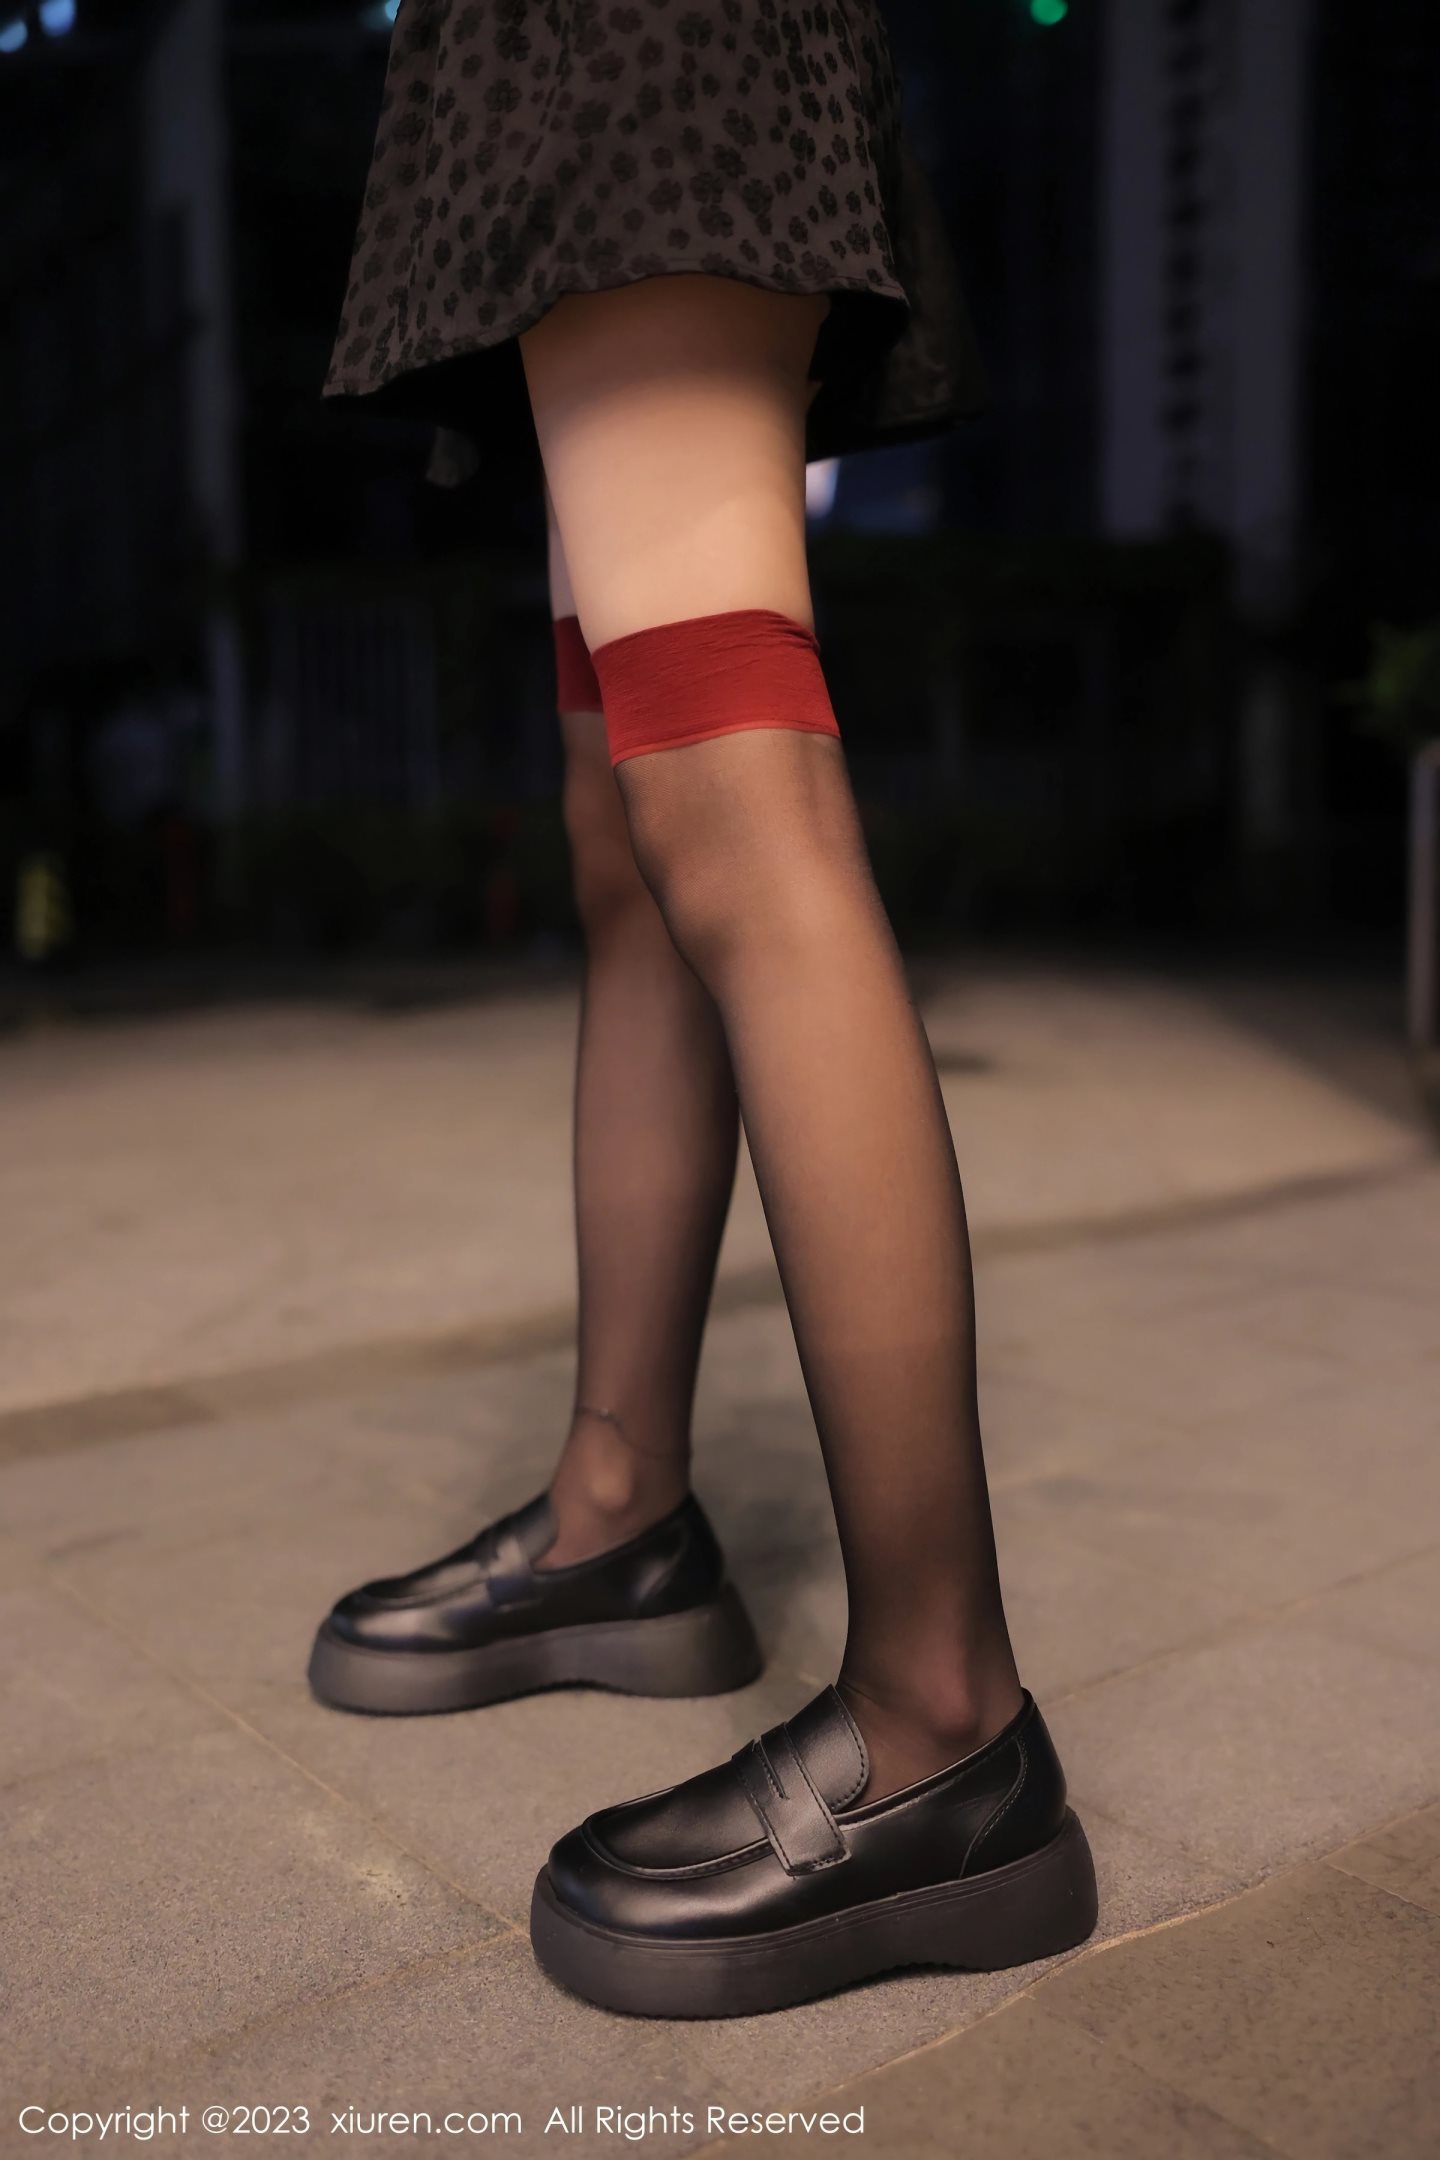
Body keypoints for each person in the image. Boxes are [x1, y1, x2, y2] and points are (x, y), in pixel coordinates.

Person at [309, 0, 1097, 2016]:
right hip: (548, 78)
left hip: (634, 57)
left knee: (735, 806)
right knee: (632, 826)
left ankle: (944, 1718)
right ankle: (621, 1511)